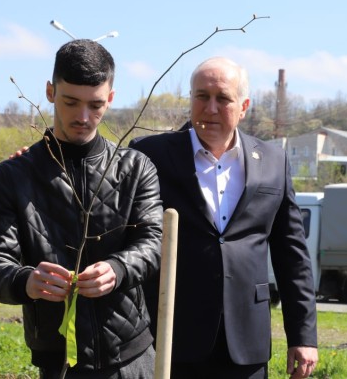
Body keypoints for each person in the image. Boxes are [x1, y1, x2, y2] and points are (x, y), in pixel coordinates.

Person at [0, 39, 164, 378]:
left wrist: (118, 269)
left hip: (132, 357)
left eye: (96, 104)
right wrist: (26, 281)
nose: (83, 117)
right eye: (71, 102)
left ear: (111, 98)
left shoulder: (136, 168)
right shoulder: (13, 176)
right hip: (58, 360)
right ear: (50, 92)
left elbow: (154, 243)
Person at [130, 56, 318, 379]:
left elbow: (292, 256)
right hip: (173, 338)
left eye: (223, 98)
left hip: (246, 343)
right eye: (202, 96)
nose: (211, 108)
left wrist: (303, 336)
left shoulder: (273, 162)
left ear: (243, 106)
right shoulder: (150, 155)